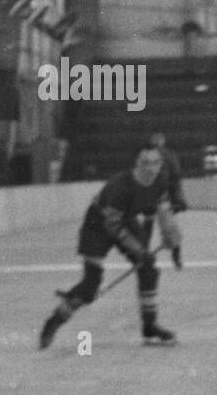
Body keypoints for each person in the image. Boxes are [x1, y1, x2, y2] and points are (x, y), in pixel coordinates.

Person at [38, 143, 183, 349]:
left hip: (126, 218)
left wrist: (173, 238)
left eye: (156, 163)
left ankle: (150, 326)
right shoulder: (121, 186)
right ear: (137, 164)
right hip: (97, 223)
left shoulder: (160, 181)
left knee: (149, 270)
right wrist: (140, 250)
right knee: (90, 285)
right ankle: (54, 321)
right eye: (145, 164)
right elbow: (113, 226)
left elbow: (165, 213)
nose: (151, 169)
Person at [147, 131, 188, 213]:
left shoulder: (148, 154)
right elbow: (175, 169)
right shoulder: (170, 153)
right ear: (162, 142)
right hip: (168, 180)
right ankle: (178, 203)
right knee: (175, 189)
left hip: (154, 181)